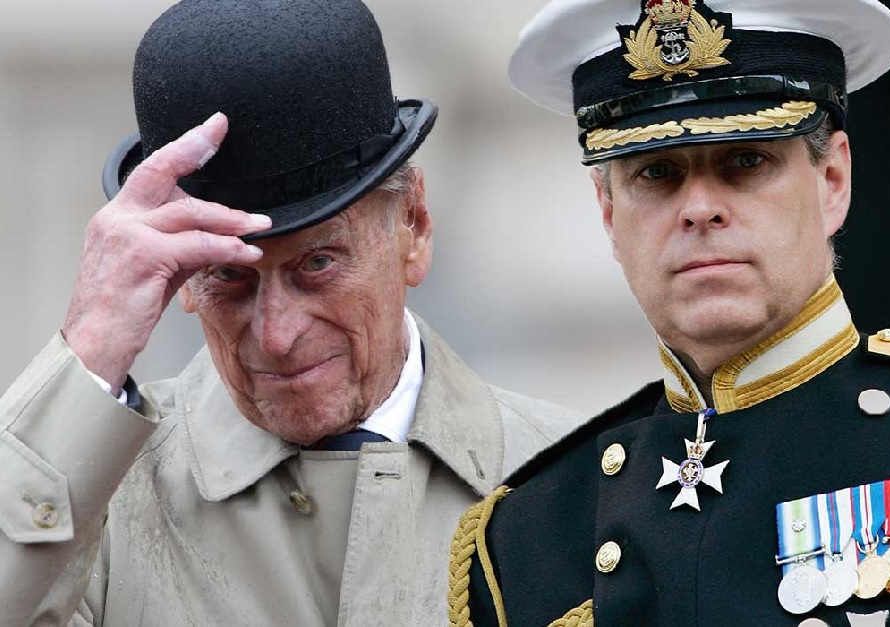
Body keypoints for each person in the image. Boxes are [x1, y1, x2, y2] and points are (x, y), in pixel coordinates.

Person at [0, 1, 582, 625]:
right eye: (229, 274)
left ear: (413, 224)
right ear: (183, 282)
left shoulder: (580, 487)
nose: (276, 335)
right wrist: (91, 346)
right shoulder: (96, 506)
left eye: (318, 264)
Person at [448, 0, 890, 625]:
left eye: (747, 161)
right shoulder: (527, 537)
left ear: (833, 180)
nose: (700, 208)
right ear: (609, 214)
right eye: (657, 173)